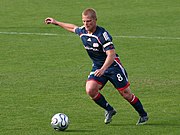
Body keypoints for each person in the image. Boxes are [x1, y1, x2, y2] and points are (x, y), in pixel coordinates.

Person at [45, 8, 148, 125]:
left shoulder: (102, 35)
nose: (86, 24)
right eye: (84, 21)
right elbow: (72, 28)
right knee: (90, 90)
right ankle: (109, 109)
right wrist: (56, 22)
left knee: (126, 94)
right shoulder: (83, 31)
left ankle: (143, 115)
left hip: (113, 67)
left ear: (95, 20)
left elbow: (111, 54)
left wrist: (103, 69)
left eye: (88, 21)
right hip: (98, 67)